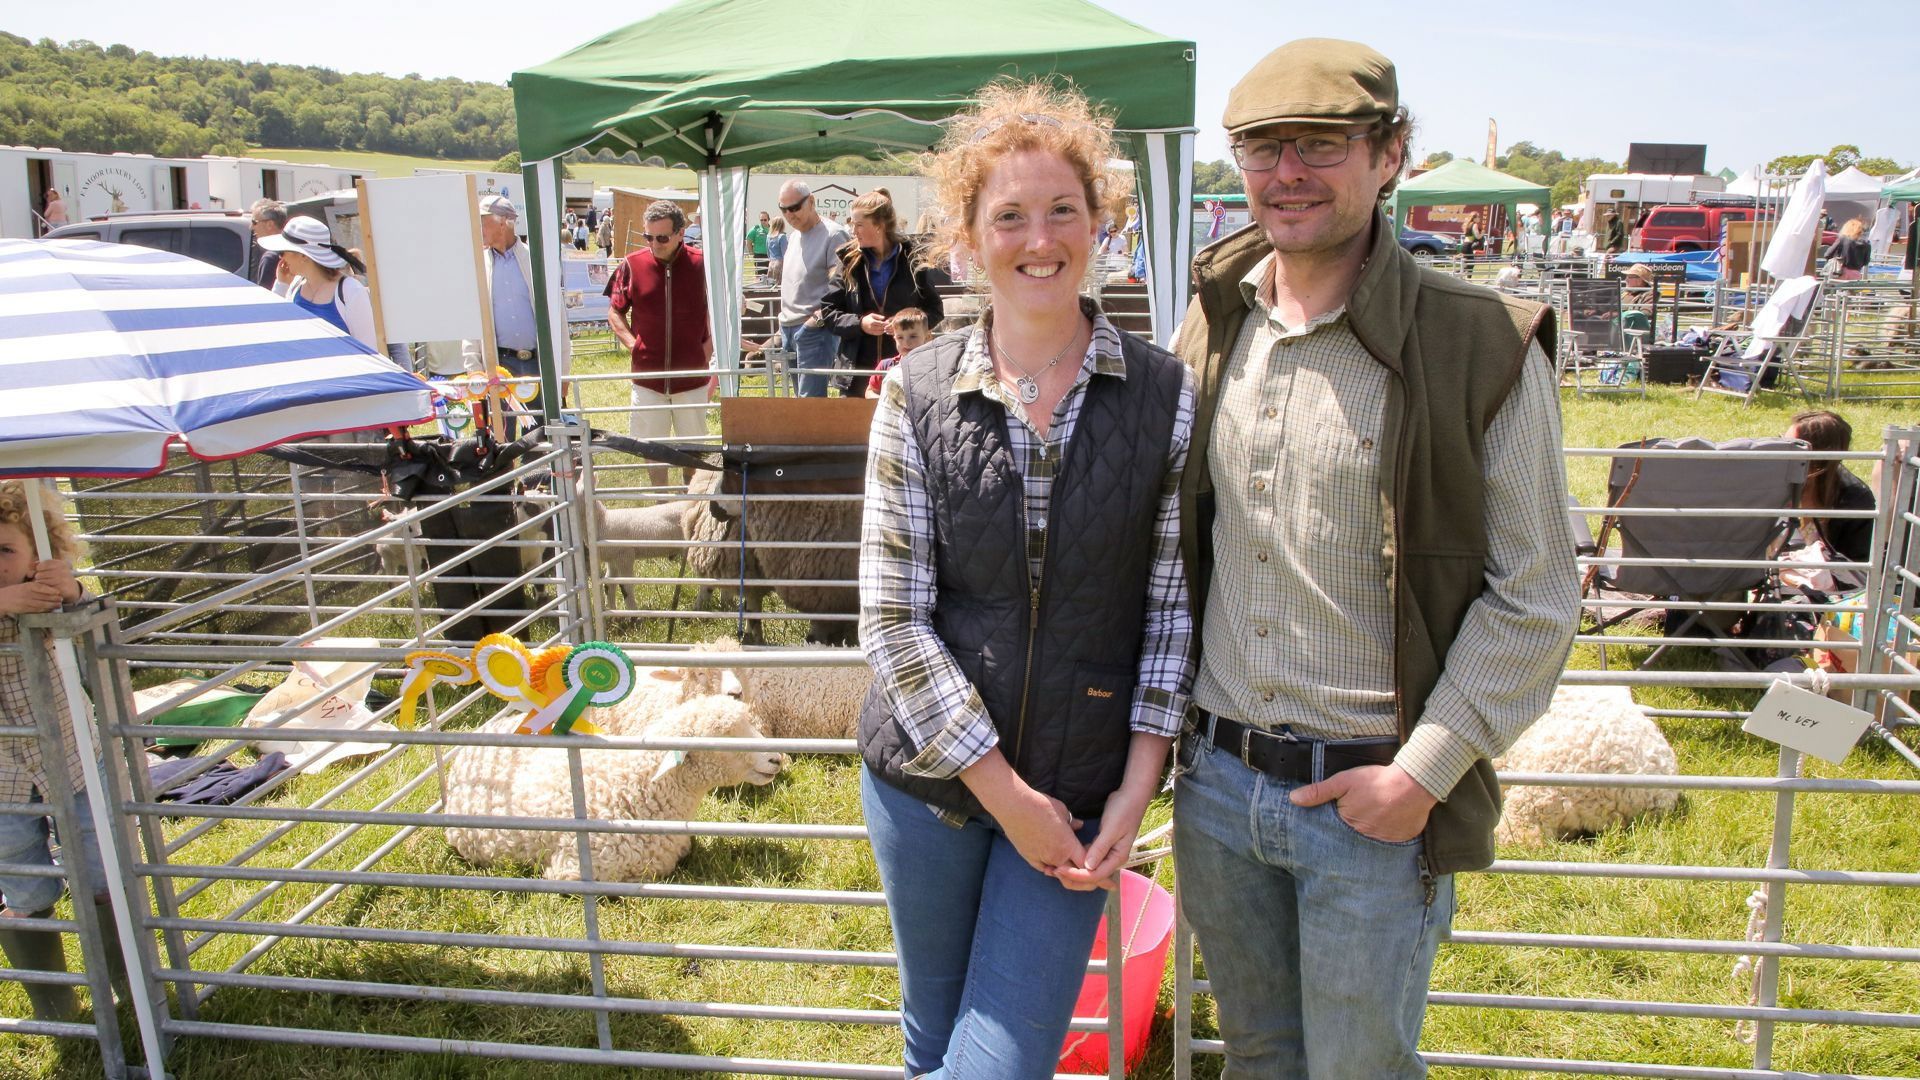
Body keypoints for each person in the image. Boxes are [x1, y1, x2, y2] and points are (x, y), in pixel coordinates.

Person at [1169, 38, 1578, 1077]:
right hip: (1219, 785)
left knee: (1359, 1066)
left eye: (1320, 144)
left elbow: (1534, 597)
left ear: (1391, 154)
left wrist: (1421, 777)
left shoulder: (1483, 343)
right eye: (1260, 148)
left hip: (1372, 796)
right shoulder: (1215, 322)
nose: (1286, 172)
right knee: (1259, 1055)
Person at [858, 78, 1195, 1080]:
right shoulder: (913, 394)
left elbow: (1170, 611)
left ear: (1102, 225)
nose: (1037, 237)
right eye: (1008, 214)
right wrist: (1000, 791)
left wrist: (1138, 790)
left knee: (1000, 1061)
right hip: (926, 781)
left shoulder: (1164, 397)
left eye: (1062, 210)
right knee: (932, 1038)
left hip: (1085, 787)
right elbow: (892, 618)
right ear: (966, 238)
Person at [0, 481, 108, 1023]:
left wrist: (72, 594)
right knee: (22, 882)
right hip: (2, 788)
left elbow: (96, 631)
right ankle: (58, 1010)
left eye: (4, 549)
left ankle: (131, 988)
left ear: (38, 552)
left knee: (101, 870)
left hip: (72, 761)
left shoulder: (47, 591)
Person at [608, 200, 713, 489]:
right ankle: (662, 500)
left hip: (691, 378)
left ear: (681, 233)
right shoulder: (631, 264)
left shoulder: (703, 264)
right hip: (648, 378)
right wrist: (632, 343)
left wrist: (709, 347)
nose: (655, 244)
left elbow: (723, 310)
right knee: (651, 446)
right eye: (649, 237)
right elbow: (615, 310)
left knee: (692, 447)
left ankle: (691, 500)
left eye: (662, 237)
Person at [817, 188, 945, 392]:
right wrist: (860, 323)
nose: (853, 231)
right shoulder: (848, 260)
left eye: (859, 224)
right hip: (857, 375)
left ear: (879, 226)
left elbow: (935, 310)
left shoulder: (912, 259)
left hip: (906, 372)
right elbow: (829, 311)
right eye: (852, 224)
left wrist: (905, 323)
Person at [461, 194, 553, 419]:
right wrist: (473, 368)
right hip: (497, 368)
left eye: (483, 222)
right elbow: (471, 319)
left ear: (502, 223)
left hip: (537, 365)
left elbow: (556, 316)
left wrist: (562, 373)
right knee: (500, 438)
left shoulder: (537, 261)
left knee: (542, 434)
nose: (478, 229)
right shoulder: (477, 265)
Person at [768, 182, 849, 397]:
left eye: (794, 207)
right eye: (783, 209)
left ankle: (817, 432)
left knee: (809, 401)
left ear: (811, 201)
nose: (789, 214)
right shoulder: (794, 237)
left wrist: (817, 320)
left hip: (815, 330)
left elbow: (844, 284)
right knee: (800, 401)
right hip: (789, 327)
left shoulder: (834, 235)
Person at [1783, 409, 1875, 593]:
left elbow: (1854, 569)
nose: (1780, 450)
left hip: (1830, 588)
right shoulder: (1778, 483)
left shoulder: (1854, 499)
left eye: (1790, 445)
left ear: (1816, 456)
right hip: (1784, 573)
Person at [258, 216, 377, 349]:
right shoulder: (295, 286)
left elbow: (368, 349)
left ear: (303, 255)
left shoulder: (350, 290)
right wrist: (281, 285)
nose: (281, 257)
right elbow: (274, 327)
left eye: (282, 252)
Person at [864, 306, 931, 398]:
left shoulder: (934, 366)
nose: (906, 342)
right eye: (900, 337)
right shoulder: (885, 365)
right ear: (894, 338)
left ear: (927, 337)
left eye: (913, 336)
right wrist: (885, 401)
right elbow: (870, 391)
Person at [248, 200, 289, 294]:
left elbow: (265, 299)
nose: (251, 227)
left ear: (270, 224)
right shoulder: (294, 252)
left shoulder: (270, 258)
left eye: (254, 222)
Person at [747, 210, 770, 280]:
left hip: (770, 255)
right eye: (761, 220)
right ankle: (759, 289)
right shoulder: (756, 229)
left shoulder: (772, 229)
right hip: (759, 256)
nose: (763, 221)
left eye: (765, 220)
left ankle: (768, 290)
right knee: (759, 276)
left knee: (769, 275)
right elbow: (748, 241)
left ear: (768, 219)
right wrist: (751, 252)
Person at [765, 217, 788, 284]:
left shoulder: (768, 236)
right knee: (780, 285)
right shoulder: (782, 236)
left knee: (771, 284)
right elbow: (785, 253)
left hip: (771, 263)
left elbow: (768, 252)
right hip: (780, 263)